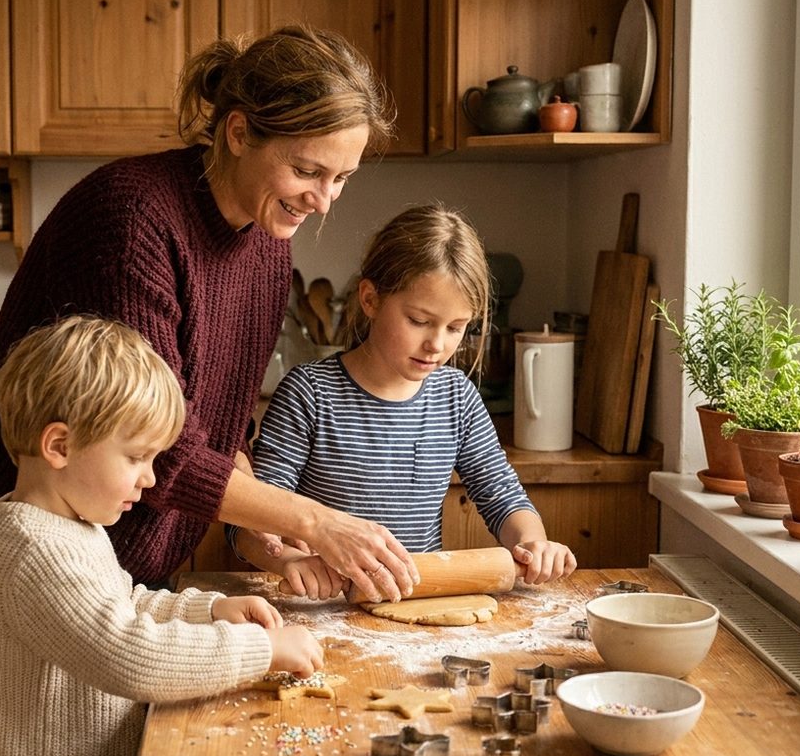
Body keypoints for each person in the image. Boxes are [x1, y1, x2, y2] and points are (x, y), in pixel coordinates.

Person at [0, 24, 420, 677]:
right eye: (307, 170)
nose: (324, 199)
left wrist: (267, 538)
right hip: (29, 531)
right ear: (240, 133)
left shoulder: (269, 241)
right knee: (42, 745)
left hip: (124, 539)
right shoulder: (131, 220)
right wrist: (315, 521)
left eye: (342, 178)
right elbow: (160, 446)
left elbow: (217, 426)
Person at [0, 315, 322, 756]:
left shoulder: (67, 523)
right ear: (59, 445)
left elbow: (123, 604)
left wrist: (211, 610)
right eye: (136, 458)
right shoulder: (32, 550)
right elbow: (129, 653)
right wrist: (263, 653)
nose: (151, 480)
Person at [230, 203, 578, 599]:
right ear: (370, 299)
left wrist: (534, 544)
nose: (437, 344)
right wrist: (289, 560)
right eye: (419, 320)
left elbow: (501, 495)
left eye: (456, 328)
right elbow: (251, 525)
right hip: (325, 607)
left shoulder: (456, 398)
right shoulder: (310, 393)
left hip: (418, 604)